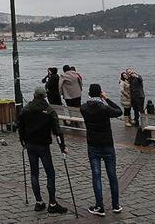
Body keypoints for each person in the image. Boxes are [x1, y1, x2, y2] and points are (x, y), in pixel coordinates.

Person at [18, 86, 69, 214]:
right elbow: (57, 130)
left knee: (34, 173)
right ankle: (52, 203)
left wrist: (23, 141)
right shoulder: (49, 110)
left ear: (34, 95)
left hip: (30, 144)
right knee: (50, 173)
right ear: (44, 96)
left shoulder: (26, 108)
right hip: (43, 145)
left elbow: (21, 126)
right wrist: (62, 147)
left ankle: (39, 202)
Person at [80, 84, 123, 216]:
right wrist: (107, 99)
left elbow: (88, 104)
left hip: (93, 145)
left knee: (96, 175)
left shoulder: (84, 108)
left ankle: (99, 206)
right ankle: (116, 204)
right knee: (112, 175)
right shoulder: (105, 108)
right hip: (107, 144)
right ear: (100, 94)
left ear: (89, 94)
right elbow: (119, 111)